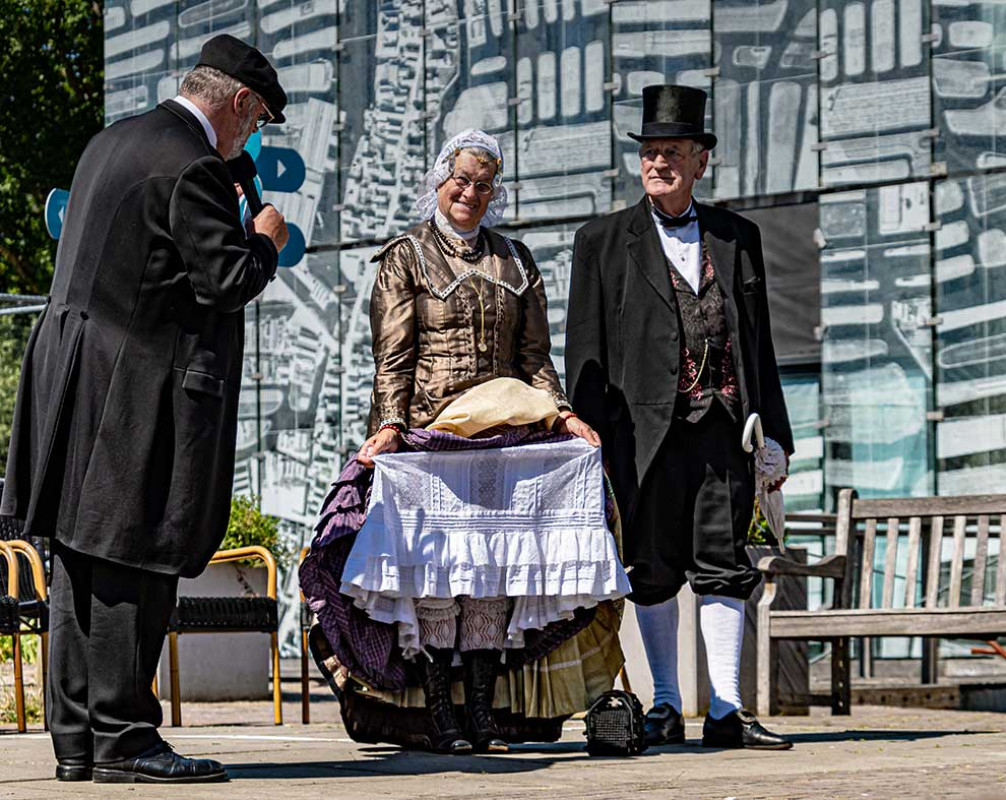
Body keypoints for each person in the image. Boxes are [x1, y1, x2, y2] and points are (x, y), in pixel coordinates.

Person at [0, 35, 288, 783]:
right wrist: (263, 242)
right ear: (241, 103)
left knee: (80, 563)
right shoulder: (191, 162)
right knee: (135, 556)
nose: (251, 139)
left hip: (74, 380)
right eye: (255, 125)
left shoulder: (112, 140)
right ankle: (126, 739)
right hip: (138, 389)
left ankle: (79, 745)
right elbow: (223, 280)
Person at [332, 129, 623, 755]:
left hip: (505, 442)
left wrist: (563, 415)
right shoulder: (405, 257)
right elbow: (394, 356)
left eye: (483, 184)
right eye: (461, 180)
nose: (470, 192)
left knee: (492, 572)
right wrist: (388, 426)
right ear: (440, 179)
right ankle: (440, 716)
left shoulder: (516, 260)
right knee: (437, 571)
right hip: (433, 439)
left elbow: (534, 357)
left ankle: (485, 717)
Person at [565, 84, 795, 750]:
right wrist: (587, 441)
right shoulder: (602, 241)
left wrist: (775, 435)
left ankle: (726, 711)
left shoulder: (738, 238)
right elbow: (584, 348)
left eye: (673, 152)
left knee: (725, 563)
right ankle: (665, 705)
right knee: (653, 565)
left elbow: (760, 344)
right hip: (640, 435)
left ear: (700, 161)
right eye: (650, 152)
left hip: (725, 428)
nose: (658, 162)